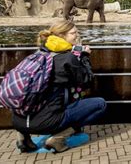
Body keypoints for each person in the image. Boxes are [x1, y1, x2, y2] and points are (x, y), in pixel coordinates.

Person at [13, 20, 106, 153]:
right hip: (47, 123)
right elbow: (87, 81)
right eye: (74, 33)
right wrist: (84, 57)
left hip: (19, 121)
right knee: (100, 104)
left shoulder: (38, 54)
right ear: (62, 36)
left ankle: (23, 137)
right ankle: (58, 138)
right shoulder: (67, 58)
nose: (77, 35)